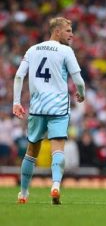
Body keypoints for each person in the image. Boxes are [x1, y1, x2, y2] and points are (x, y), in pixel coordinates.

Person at [13, 17, 85, 205]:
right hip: (58, 107)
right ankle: (55, 185)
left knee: (31, 150)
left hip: (37, 108)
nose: (72, 34)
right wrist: (81, 93)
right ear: (57, 31)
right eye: (68, 30)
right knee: (58, 149)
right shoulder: (65, 51)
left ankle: (23, 193)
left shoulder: (32, 49)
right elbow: (78, 80)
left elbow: (19, 75)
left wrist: (16, 102)